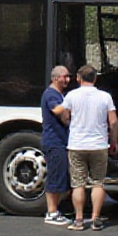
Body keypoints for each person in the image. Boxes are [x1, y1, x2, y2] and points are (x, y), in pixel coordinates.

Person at [62, 65, 118, 231]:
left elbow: (65, 117)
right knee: (98, 183)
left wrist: (71, 124)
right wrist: (113, 141)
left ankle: (79, 220)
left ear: (79, 78)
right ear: (95, 78)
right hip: (99, 145)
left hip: (77, 145)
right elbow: (113, 121)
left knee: (78, 184)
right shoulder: (105, 97)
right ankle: (95, 219)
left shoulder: (71, 96)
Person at [40, 65, 74, 226]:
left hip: (62, 141)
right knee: (54, 177)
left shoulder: (60, 94)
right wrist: (72, 105)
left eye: (68, 76)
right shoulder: (51, 95)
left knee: (62, 177)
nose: (67, 79)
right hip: (54, 142)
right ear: (55, 78)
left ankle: (59, 210)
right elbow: (57, 111)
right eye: (64, 76)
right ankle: (51, 213)